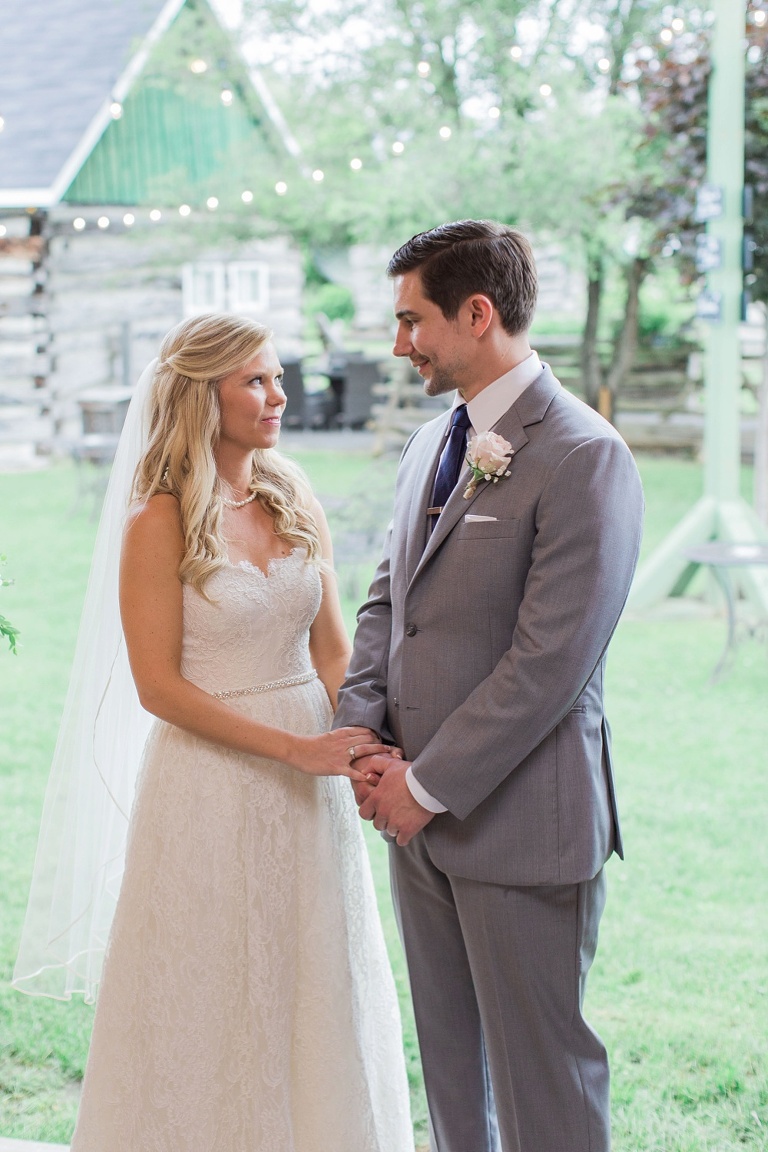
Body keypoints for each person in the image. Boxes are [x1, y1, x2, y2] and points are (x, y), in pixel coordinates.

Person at [14, 313, 414, 1152]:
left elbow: (332, 647)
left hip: (313, 784)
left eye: (276, 376)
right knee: (213, 981)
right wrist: (297, 750)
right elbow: (159, 687)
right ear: (204, 396)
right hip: (210, 782)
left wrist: (362, 746)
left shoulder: (292, 490)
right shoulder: (156, 521)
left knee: (313, 974)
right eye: (255, 381)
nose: (279, 395)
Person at [334, 220, 645, 1152]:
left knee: (543, 1078)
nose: (399, 345)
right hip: (410, 816)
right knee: (452, 1075)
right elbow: (389, 602)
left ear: (478, 313)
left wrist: (425, 788)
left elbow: (551, 662)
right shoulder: (431, 442)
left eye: (412, 320)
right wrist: (363, 741)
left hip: (516, 825)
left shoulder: (585, 456)